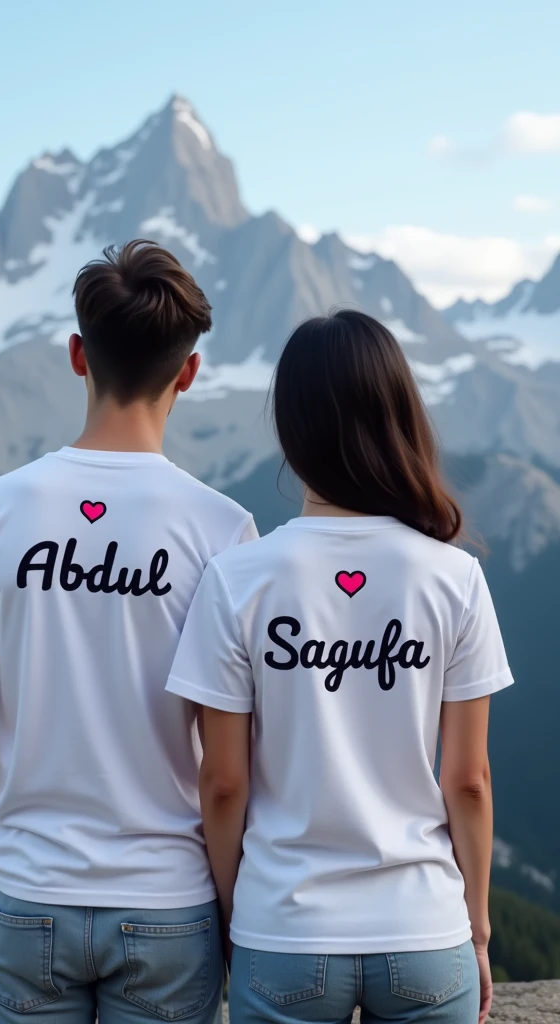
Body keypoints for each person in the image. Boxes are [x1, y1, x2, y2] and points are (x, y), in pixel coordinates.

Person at [0, 239, 257, 1024]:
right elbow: (231, 765)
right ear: (189, 373)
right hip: (171, 902)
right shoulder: (224, 531)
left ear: (78, 355)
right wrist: (234, 904)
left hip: (27, 895)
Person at [167, 310, 513, 1024]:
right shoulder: (455, 579)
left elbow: (223, 781)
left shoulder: (240, 578)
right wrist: (474, 927)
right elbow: (469, 781)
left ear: (291, 431)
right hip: (425, 929)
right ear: (398, 417)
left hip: (286, 929)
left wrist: (241, 915)